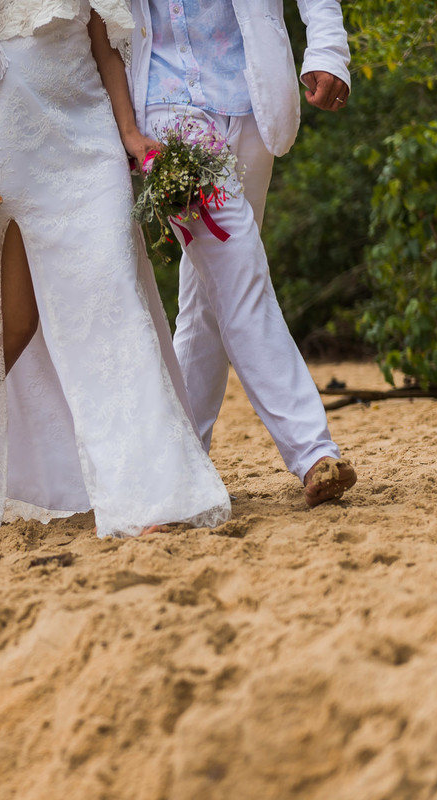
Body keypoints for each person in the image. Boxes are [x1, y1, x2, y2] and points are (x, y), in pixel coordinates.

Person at [0, 0, 232, 545]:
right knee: (13, 324)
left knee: (112, 297)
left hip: (87, 140)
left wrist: (128, 133)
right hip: (1, 137)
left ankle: (151, 491)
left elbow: (105, 42)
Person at [126, 0, 359, 507]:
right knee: (240, 271)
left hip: (252, 103)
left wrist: (327, 51)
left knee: (207, 299)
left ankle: (182, 460)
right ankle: (312, 450)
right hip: (167, 111)